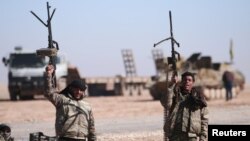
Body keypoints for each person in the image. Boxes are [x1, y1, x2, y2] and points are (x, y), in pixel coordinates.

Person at [45, 65, 96, 141]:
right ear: (71, 88)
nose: (78, 92)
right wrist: (49, 75)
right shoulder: (62, 100)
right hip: (65, 138)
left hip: (82, 139)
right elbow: (49, 93)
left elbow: (91, 126)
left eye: (80, 90)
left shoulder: (87, 106)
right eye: (76, 89)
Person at [160, 71, 208, 141]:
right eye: (185, 80)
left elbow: (204, 119)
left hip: (191, 137)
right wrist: (172, 84)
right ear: (181, 82)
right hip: (175, 136)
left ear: (193, 82)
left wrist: (203, 137)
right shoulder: (175, 95)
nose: (187, 82)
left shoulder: (199, 98)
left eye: (189, 80)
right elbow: (166, 103)